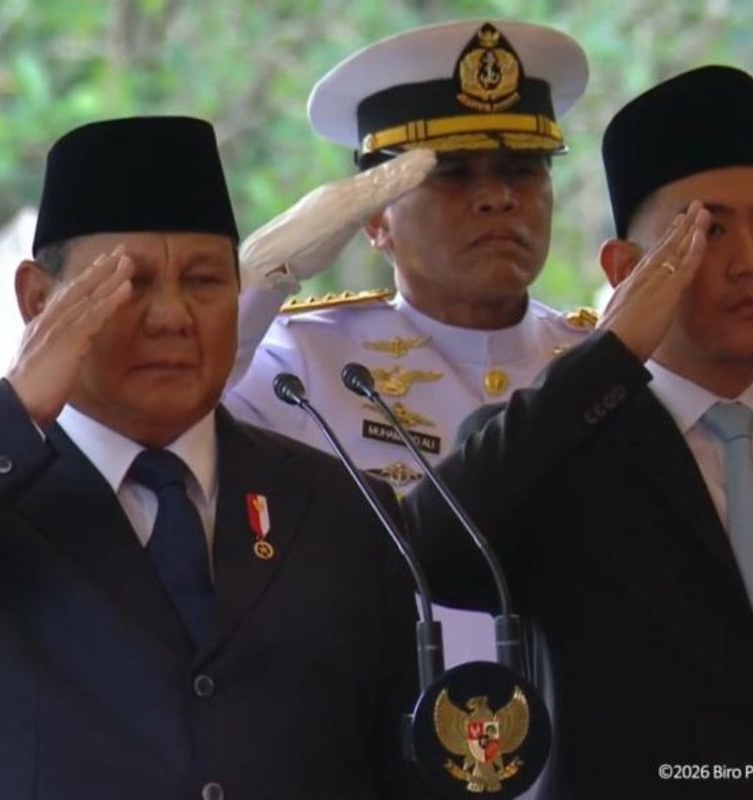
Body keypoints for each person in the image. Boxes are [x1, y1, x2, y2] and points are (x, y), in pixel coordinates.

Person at [0, 117, 423, 800]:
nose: (172, 316)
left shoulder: (341, 508)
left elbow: (401, 764)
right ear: (37, 300)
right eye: (130, 283)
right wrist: (15, 407)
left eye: (204, 281)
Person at [403, 66, 753, 798]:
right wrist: (611, 350)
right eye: (708, 230)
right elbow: (432, 550)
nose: (751, 260)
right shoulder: (563, 456)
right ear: (627, 269)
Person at [225, 19, 596, 666]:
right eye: (453, 174)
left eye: (522, 169)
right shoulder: (307, 363)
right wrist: (257, 282)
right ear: (375, 219)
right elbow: (165, 414)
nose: (498, 198)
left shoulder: (598, 365)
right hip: (386, 717)